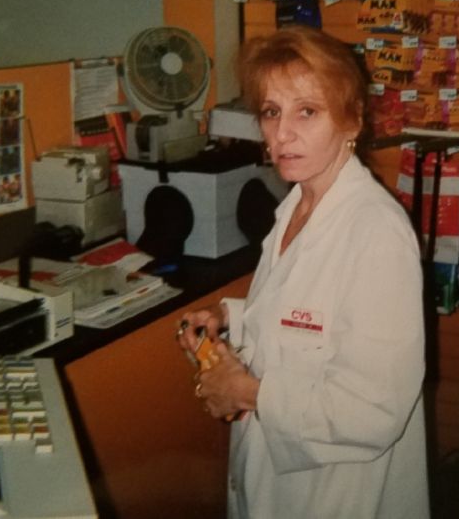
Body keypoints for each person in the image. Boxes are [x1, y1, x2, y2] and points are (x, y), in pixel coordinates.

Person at [176, 26, 429, 519]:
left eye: (306, 112)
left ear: (352, 119)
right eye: (272, 112)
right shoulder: (298, 203)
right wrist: (229, 316)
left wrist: (247, 390)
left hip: (336, 496)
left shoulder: (376, 232)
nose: (282, 134)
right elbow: (310, 319)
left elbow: (375, 409)